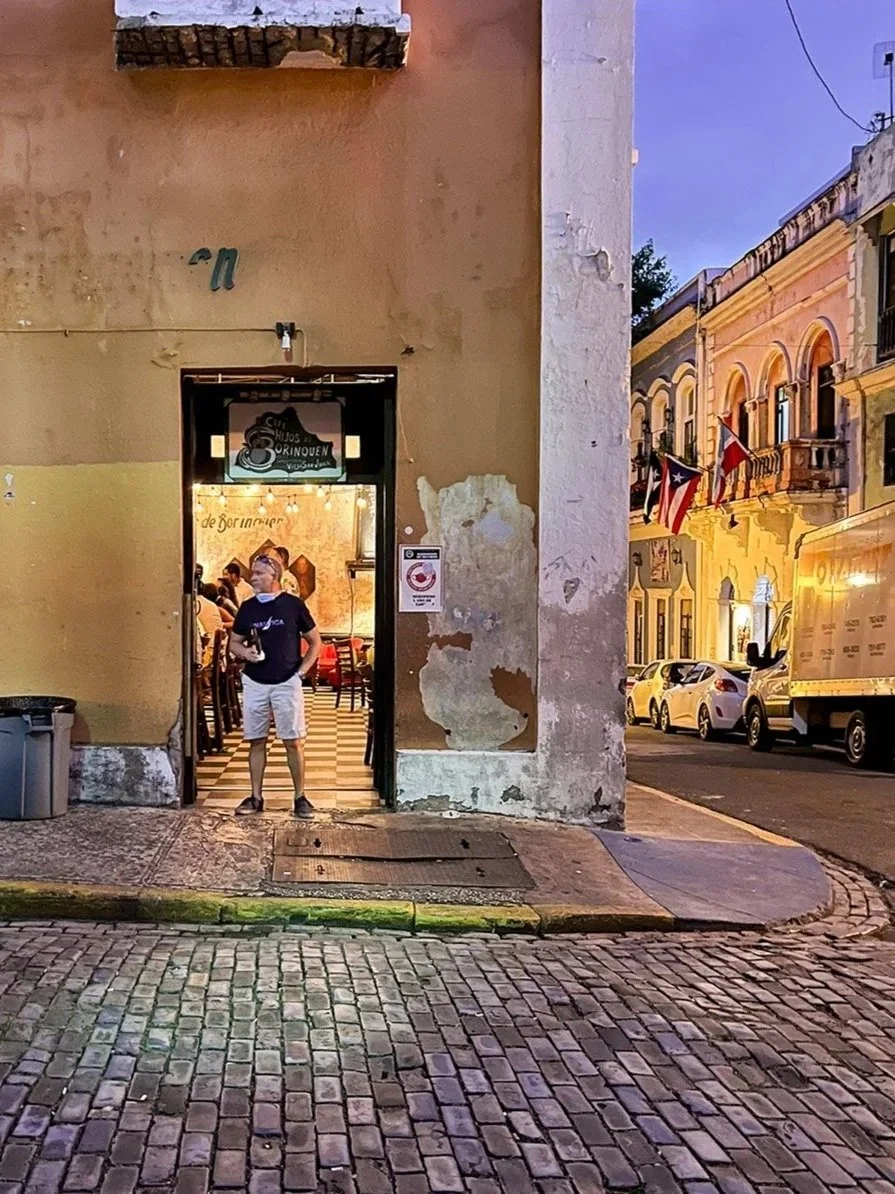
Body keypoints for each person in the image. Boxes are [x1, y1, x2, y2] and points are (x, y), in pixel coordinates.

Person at [230, 554, 321, 818]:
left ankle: (300, 797)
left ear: (274, 576)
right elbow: (235, 642)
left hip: (286, 681)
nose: (253, 577)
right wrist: (246, 654)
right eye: (253, 573)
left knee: (293, 741)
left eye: (258, 573)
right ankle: (256, 797)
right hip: (255, 681)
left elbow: (315, 641)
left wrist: (301, 673)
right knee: (256, 740)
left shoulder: (293, 606)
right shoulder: (247, 609)